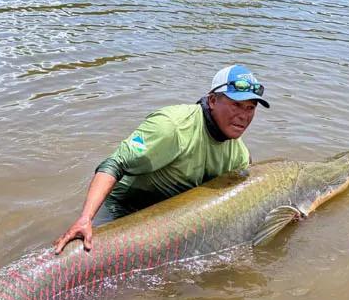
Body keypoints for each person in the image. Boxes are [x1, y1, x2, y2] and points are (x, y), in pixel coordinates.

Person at [53, 64, 269, 254]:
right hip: (123, 207)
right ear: (212, 100)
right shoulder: (171, 127)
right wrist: (86, 218)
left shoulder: (239, 156)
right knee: (86, 254)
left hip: (171, 219)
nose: (244, 116)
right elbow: (114, 164)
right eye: (236, 105)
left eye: (250, 108)